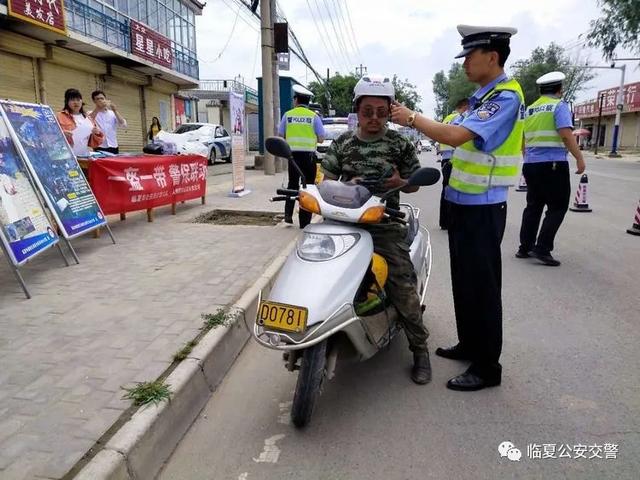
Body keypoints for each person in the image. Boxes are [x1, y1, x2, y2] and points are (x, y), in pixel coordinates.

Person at [391, 25, 524, 391]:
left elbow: (454, 136)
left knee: (482, 287)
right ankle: (470, 344)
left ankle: (486, 367)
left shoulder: (505, 98)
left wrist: (413, 118)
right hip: (464, 204)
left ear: (492, 57)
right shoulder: (482, 97)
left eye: (470, 55)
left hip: (484, 207)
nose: (465, 63)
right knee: (465, 283)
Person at [322, 75, 432, 385]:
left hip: (384, 225)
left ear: (389, 112)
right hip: (343, 223)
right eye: (367, 111)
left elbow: (413, 183)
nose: (373, 119)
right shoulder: (343, 143)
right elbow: (324, 180)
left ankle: (420, 351)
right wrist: (344, 186)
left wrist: (401, 184)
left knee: (402, 284)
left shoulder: (398, 143)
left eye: (381, 112)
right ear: (356, 110)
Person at [516, 71, 586, 266]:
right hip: (553, 164)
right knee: (557, 206)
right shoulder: (559, 106)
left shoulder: (530, 109)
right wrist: (579, 158)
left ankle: (525, 247)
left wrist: (527, 157)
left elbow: (522, 138)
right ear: (559, 89)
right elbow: (565, 134)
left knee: (534, 205)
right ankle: (542, 248)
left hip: (531, 164)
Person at [278, 84, 325, 228]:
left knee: (292, 185)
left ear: (296, 100)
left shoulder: (288, 115)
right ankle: (304, 222)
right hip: (309, 157)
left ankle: (288, 216)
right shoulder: (314, 117)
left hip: (292, 157)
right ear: (308, 101)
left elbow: (280, 135)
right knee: (308, 188)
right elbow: (321, 138)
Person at [438, 98, 470, 229]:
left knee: (446, 190)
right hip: (455, 158)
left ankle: (444, 221)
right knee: (454, 191)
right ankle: (452, 221)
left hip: (446, 157)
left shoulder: (447, 118)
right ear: (464, 106)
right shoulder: (459, 118)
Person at [56, 88, 104, 157]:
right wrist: (61, 134)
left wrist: (96, 133)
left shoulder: (88, 118)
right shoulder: (60, 116)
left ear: (81, 101)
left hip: (83, 156)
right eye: (72, 100)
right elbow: (50, 136)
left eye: (78, 100)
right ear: (67, 102)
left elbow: (94, 143)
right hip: (66, 156)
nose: (76, 102)